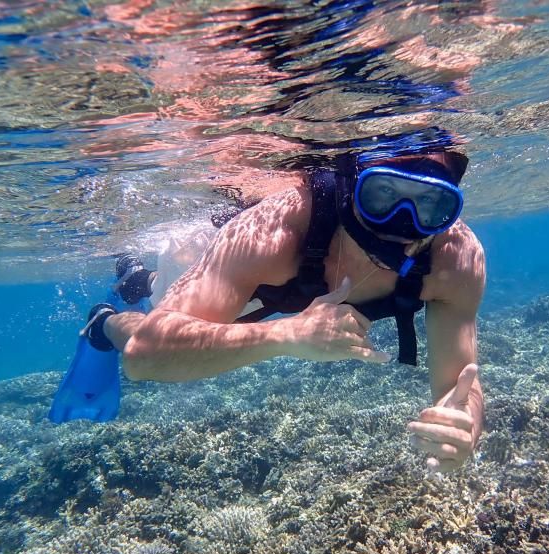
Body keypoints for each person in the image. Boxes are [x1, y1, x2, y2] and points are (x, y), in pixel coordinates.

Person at [51, 143, 486, 473]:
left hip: (278, 284)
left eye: (430, 203)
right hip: (251, 272)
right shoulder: (278, 227)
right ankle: (104, 321)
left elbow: (464, 385)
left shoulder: (456, 260)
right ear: (353, 189)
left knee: (174, 300)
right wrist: (287, 335)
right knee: (158, 312)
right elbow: (146, 356)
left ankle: (141, 280)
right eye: (383, 194)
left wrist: (463, 427)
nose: (403, 222)